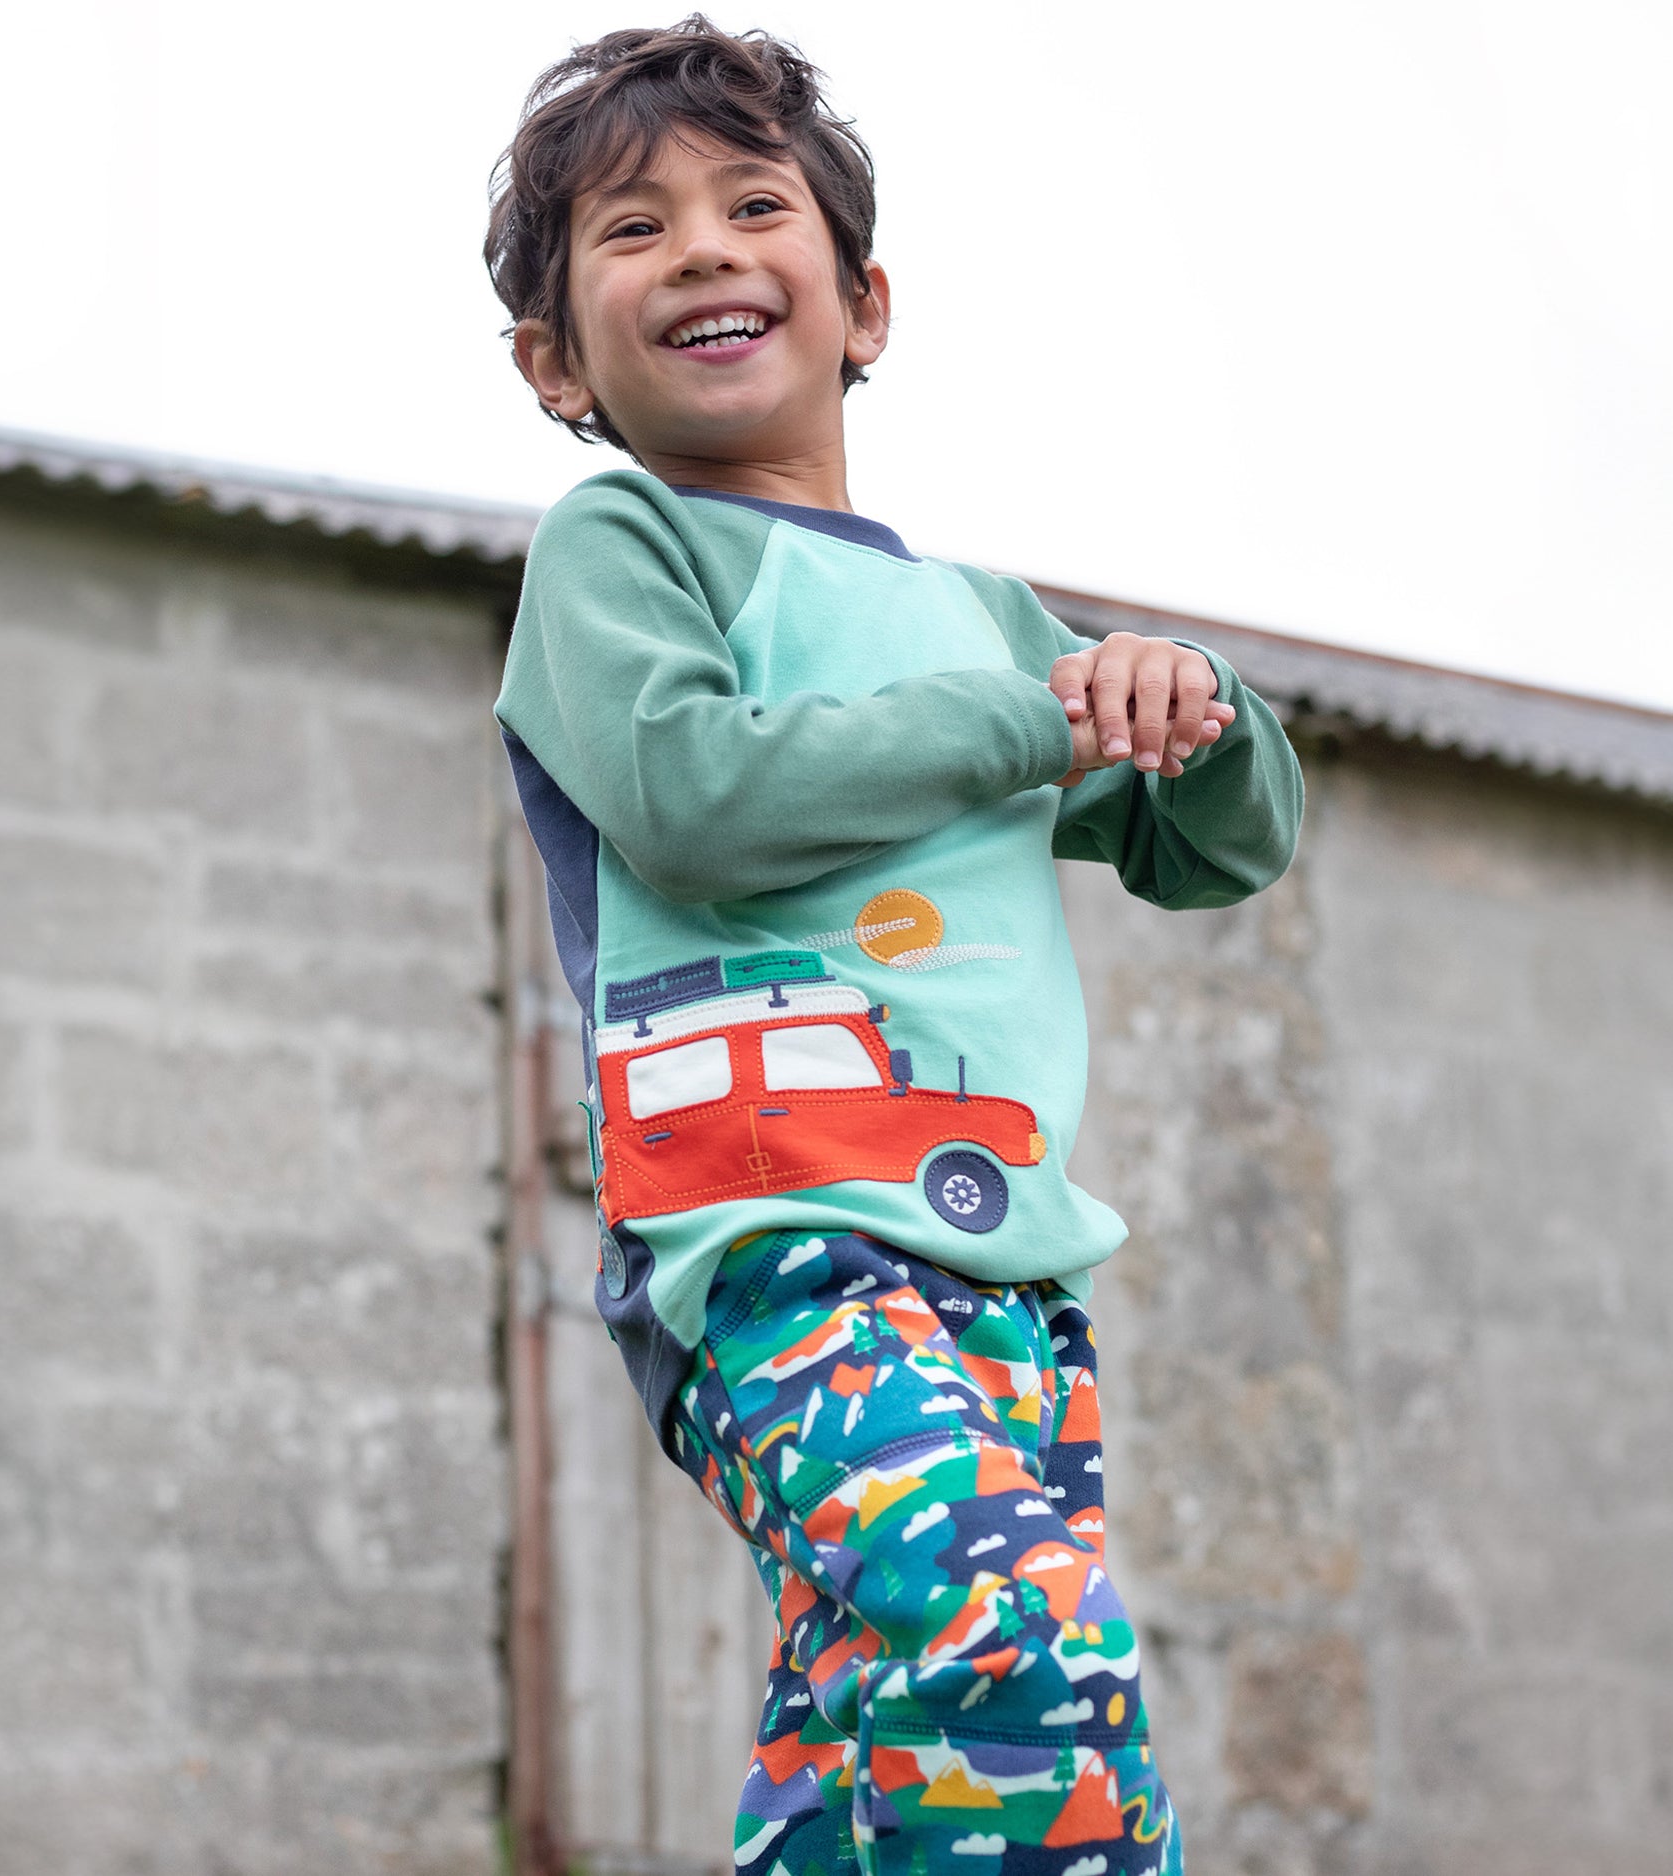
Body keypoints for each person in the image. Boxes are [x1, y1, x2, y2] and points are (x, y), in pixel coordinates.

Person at [485, 18, 1302, 1876]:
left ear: (860, 303)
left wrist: (1201, 703)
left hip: (1006, 1262)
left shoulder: (972, 614)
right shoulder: (622, 546)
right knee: (1014, 1659)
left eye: (750, 205)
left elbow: (1212, 844)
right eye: (633, 230)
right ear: (553, 362)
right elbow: (695, 795)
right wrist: (1040, 716)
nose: (699, 247)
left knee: (895, 1741)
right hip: (774, 1230)